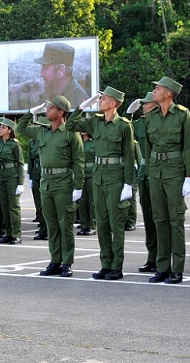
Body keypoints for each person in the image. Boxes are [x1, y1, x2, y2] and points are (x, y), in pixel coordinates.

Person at [66, 86, 136, 281]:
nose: (100, 101)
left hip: (115, 177)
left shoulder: (123, 126)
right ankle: (105, 264)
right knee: (102, 223)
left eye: (103, 98)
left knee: (116, 223)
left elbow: (129, 156)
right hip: (98, 177)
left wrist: (128, 184)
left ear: (113, 103)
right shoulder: (95, 122)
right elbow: (70, 125)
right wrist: (81, 107)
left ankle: (117, 266)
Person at [18, 96, 84, 277]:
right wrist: (31, 112)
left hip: (63, 182)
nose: (47, 111)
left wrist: (78, 186)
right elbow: (20, 129)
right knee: (52, 224)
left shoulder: (71, 133)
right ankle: (55, 261)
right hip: (46, 182)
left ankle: (67, 262)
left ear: (61, 112)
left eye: (51, 108)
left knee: (65, 224)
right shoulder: (41, 131)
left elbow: (79, 161)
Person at [141, 76, 189, 285]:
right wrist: (151, 172)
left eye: (158, 88)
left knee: (175, 221)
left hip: (175, 172)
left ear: (168, 93)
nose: (155, 91)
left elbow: (188, 146)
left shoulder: (182, 115)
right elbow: (148, 148)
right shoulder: (151, 116)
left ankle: (176, 269)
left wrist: (188, 177)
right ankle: (162, 267)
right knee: (159, 219)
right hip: (156, 172)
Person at [127, 92, 158, 272]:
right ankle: (152, 257)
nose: (143, 107)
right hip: (145, 172)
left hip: (159, 171)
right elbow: (124, 128)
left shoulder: (160, 122)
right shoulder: (140, 124)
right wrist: (130, 113)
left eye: (146, 104)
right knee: (148, 218)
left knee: (160, 218)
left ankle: (163, 258)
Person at [0, 118, 24, 244]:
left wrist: (20, 182)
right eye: (0, 127)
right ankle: (8, 233)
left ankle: (16, 234)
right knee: (4, 207)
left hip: (12, 178)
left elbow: (20, 164)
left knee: (13, 207)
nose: (0, 129)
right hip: (1, 177)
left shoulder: (14, 144)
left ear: (9, 130)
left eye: (3, 128)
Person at [34, 42, 88, 110]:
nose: (41, 74)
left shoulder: (77, 99)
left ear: (61, 71)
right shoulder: (57, 94)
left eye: (45, 68)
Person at [77, 132, 97, 236]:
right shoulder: (78, 142)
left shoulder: (94, 143)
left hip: (92, 173)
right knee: (82, 201)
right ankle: (84, 225)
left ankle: (92, 225)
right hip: (81, 174)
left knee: (92, 201)